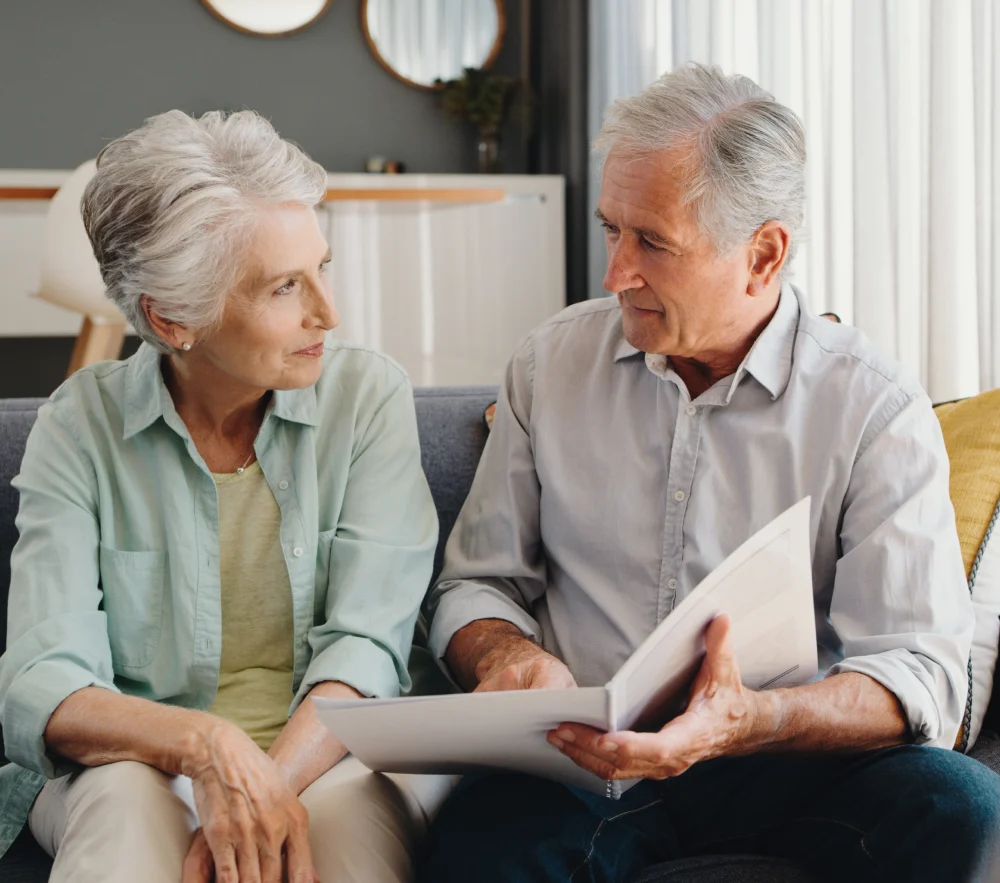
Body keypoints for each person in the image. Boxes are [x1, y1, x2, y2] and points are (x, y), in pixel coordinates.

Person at [420, 64, 1000, 883]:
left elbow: (918, 672)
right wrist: (506, 655)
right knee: (484, 843)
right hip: (586, 765)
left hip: (790, 757)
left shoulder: (874, 407)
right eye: (610, 229)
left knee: (963, 811)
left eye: (651, 241)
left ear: (763, 254)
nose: (615, 272)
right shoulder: (550, 364)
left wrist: (751, 720)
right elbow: (476, 586)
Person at [0, 109, 453, 883]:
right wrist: (206, 748)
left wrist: (258, 787)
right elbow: (48, 678)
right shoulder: (79, 425)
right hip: (136, 763)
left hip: (334, 747)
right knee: (123, 818)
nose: (328, 313)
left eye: (323, 267)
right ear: (171, 318)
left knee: (343, 840)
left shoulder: (367, 397)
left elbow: (368, 647)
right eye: (285, 286)